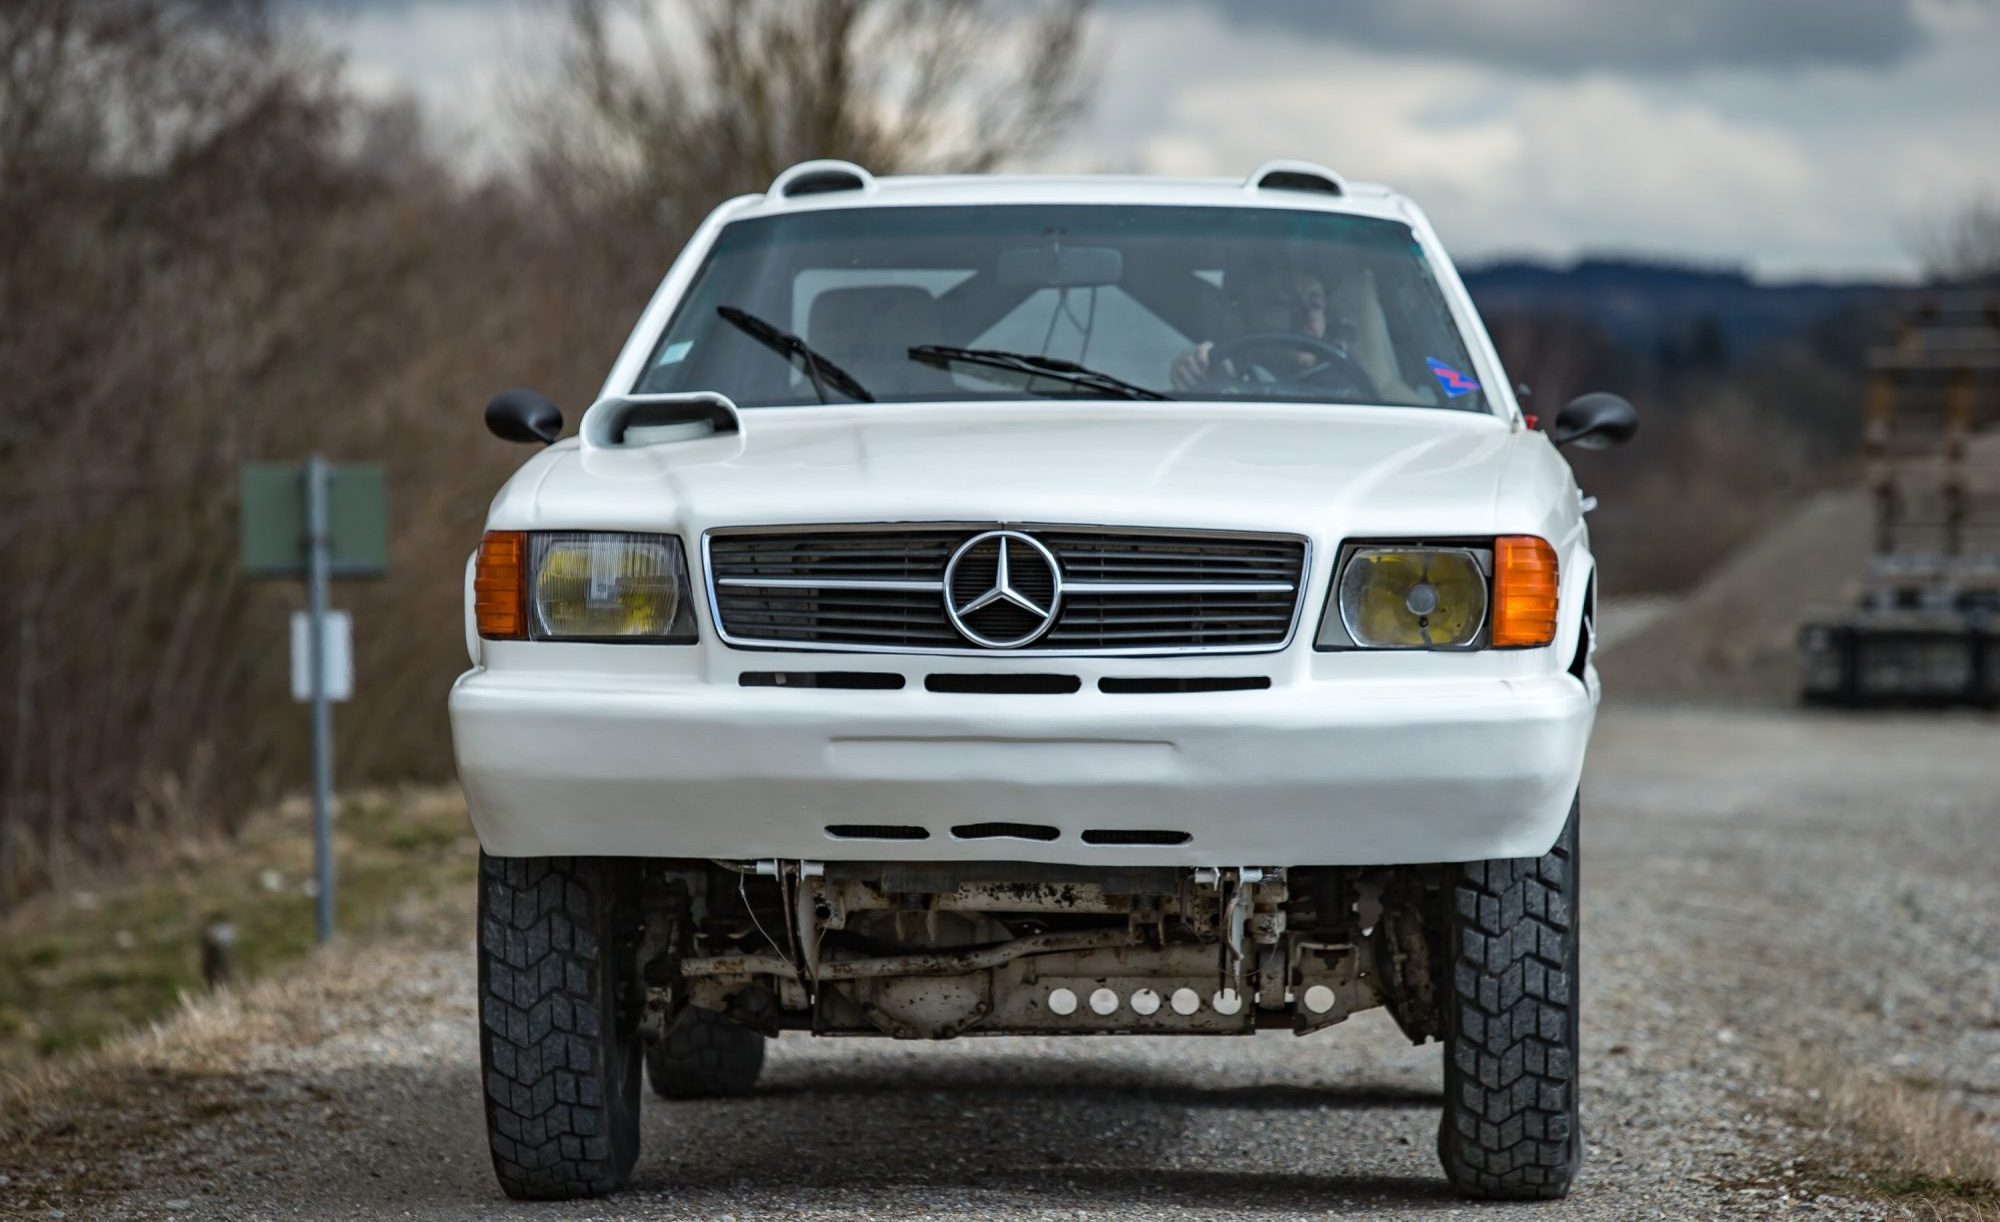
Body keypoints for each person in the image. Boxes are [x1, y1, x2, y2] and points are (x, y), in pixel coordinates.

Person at [1169, 259, 1428, 403]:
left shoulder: (1357, 390)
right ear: (1241, 316)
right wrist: (1199, 376)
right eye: (1284, 302)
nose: (1306, 316)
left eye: (1316, 304)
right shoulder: (1224, 372)